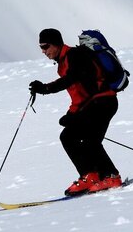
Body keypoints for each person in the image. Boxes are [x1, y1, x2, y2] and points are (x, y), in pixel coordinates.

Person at [29, 28, 121, 196]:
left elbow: (70, 80)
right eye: (41, 47)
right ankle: (90, 176)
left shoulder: (74, 55)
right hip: (94, 104)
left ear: (56, 44)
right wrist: (71, 115)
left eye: (46, 46)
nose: (43, 51)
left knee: (89, 140)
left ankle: (111, 176)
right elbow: (78, 93)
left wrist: (45, 88)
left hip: (103, 101)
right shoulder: (63, 61)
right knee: (68, 136)